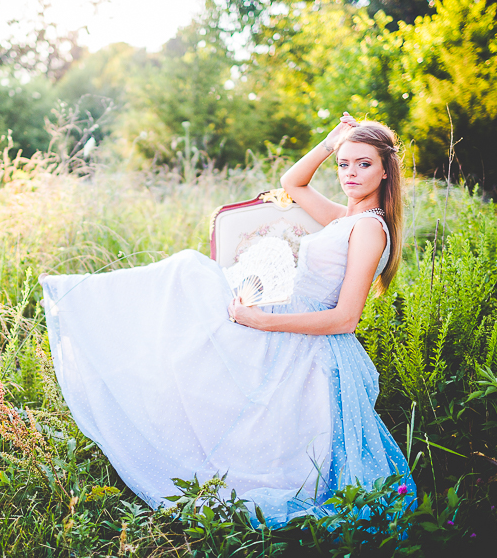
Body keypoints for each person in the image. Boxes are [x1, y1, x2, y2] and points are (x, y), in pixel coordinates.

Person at [39, 113, 415, 527]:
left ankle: (79, 301)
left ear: (384, 170)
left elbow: (345, 319)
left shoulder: (368, 229)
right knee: (185, 297)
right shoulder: (346, 218)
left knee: (186, 274)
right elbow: (293, 183)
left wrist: (260, 323)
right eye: (344, 164)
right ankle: (91, 312)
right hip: (283, 321)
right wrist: (331, 142)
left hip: (304, 340)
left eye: (364, 164)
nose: (350, 174)